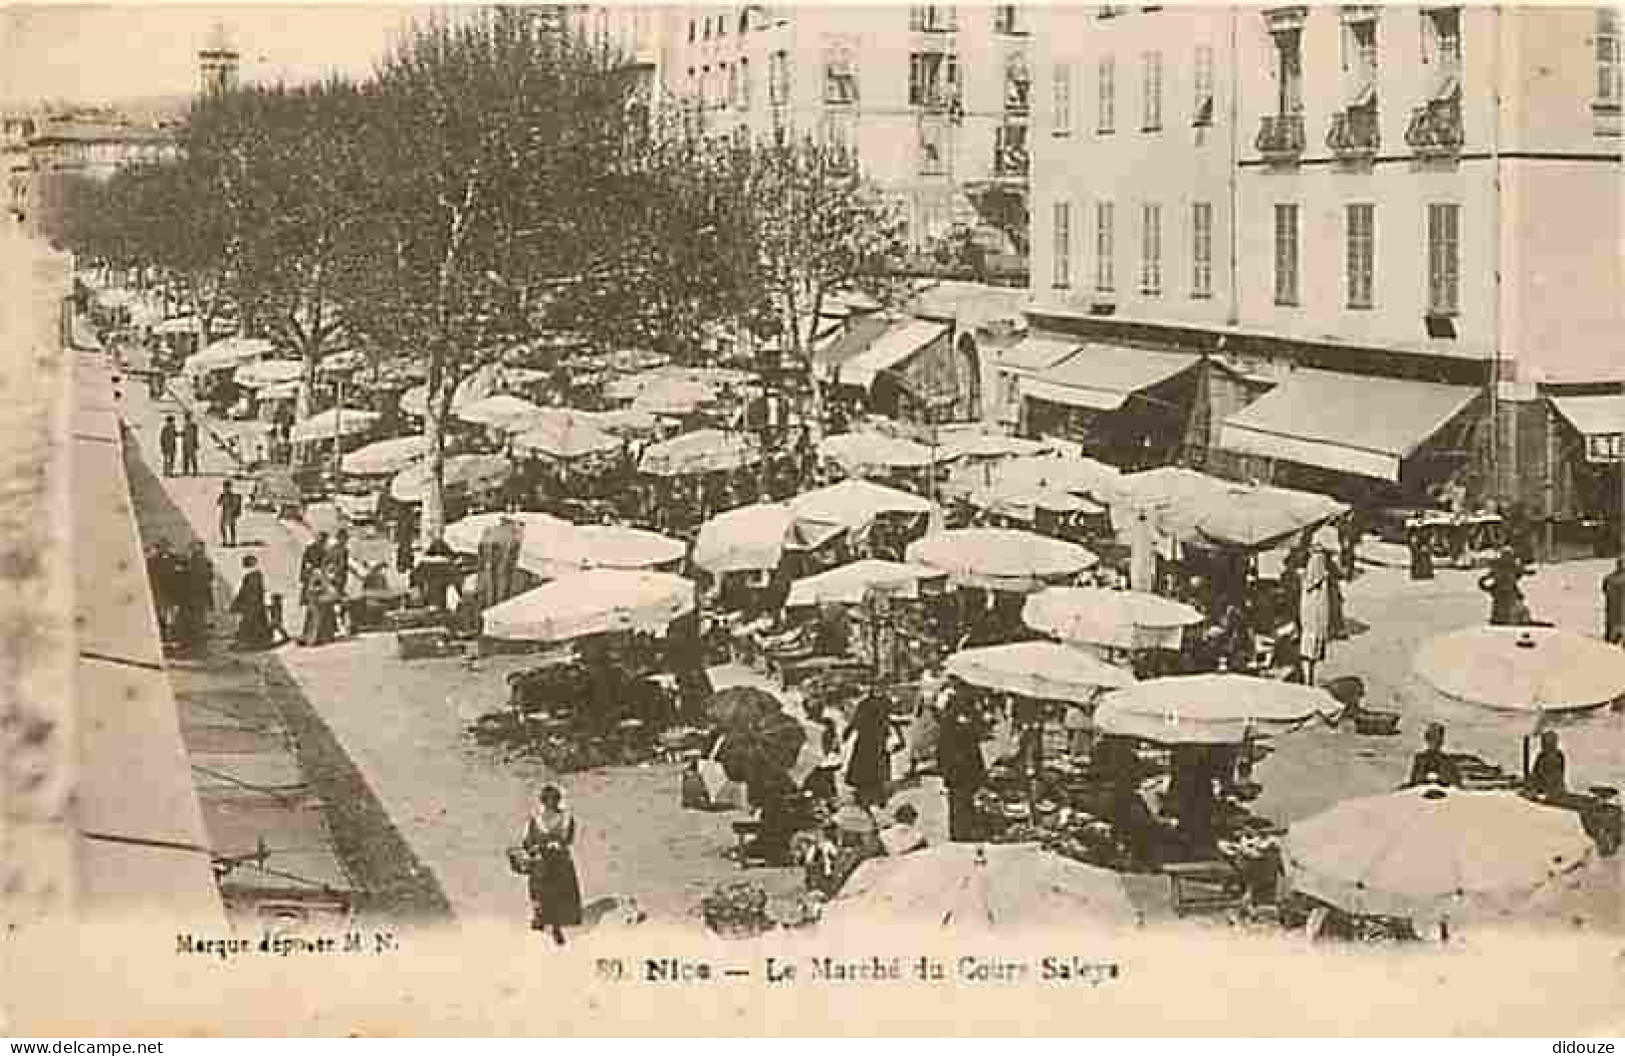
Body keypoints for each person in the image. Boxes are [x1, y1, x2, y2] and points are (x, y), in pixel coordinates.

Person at [518, 786, 583, 945]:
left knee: (557, 892)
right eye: (548, 800)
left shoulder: (566, 818)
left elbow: (567, 839)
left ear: (558, 801)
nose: (551, 804)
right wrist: (533, 848)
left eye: (554, 800)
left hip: (559, 861)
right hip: (541, 860)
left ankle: (555, 926)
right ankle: (541, 917)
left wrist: (555, 844)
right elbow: (526, 840)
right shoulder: (535, 819)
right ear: (543, 802)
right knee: (538, 891)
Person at [936, 687, 986, 842]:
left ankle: (961, 835)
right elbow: (945, 752)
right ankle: (960, 837)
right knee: (960, 806)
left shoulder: (954, 723)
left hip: (961, 773)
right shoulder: (953, 723)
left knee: (962, 806)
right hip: (960, 773)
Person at [843, 692, 893, 810]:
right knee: (875, 766)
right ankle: (874, 794)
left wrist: (848, 731)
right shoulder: (880, 703)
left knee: (866, 766)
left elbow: (856, 720)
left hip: (868, 740)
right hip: (873, 740)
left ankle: (868, 792)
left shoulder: (867, 704)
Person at [230, 555, 274, 650]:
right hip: (255, 604)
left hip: (252, 604)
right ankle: (258, 641)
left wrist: (237, 602)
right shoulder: (257, 575)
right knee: (255, 622)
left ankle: (251, 642)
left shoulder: (251, 576)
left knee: (250, 623)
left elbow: (245, 591)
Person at [177, 541, 214, 651]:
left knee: (195, 616)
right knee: (198, 616)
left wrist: (183, 571)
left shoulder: (196, 560)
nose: (191, 549)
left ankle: (195, 640)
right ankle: (197, 638)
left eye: (192, 547)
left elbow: (193, 576)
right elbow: (209, 576)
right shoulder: (203, 560)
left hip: (195, 593)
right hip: (200, 593)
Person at [1479, 548, 1527, 626]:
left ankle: (1498, 619)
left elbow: (1485, 579)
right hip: (1508, 591)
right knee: (1510, 604)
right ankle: (1508, 619)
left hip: (1498, 591)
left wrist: (1488, 586)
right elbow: (1519, 574)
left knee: (1500, 605)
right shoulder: (1512, 565)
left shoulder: (1497, 565)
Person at [1406, 723, 1462, 788]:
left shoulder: (1447, 761)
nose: (1434, 742)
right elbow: (1415, 782)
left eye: (1437, 739)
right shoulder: (1420, 758)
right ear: (1427, 739)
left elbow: (1455, 784)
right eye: (1432, 738)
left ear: (1441, 741)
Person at [1526, 729, 1566, 799]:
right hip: (1542, 785)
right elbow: (1535, 772)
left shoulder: (1559, 755)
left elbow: (1561, 773)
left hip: (1554, 786)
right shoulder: (1542, 756)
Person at [1603, 557, 1625, 645]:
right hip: (1616, 611)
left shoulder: (1609, 578)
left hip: (1615, 612)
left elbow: (1604, 589)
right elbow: (1605, 590)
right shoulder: (1609, 578)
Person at [217, 481, 242, 547]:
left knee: (231, 527)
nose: (225, 489)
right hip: (225, 513)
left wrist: (237, 512)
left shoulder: (234, 496)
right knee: (222, 527)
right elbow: (219, 503)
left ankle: (233, 541)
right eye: (225, 487)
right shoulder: (223, 495)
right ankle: (225, 540)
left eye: (227, 487)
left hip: (231, 513)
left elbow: (238, 504)